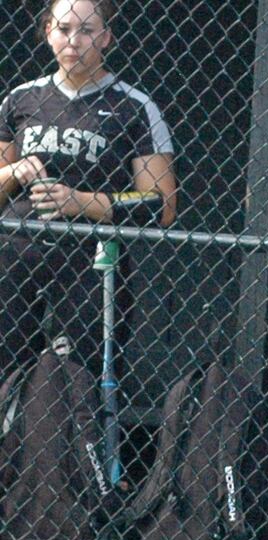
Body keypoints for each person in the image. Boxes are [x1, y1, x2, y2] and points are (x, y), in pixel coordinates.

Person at [0, 0, 177, 368]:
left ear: (106, 37)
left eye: (87, 30)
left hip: (90, 262)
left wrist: (80, 202)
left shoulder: (134, 106)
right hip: (14, 257)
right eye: (64, 29)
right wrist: (14, 172)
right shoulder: (19, 99)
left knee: (76, 377)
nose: (74, 41)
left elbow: (162, 205)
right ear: (48, 31)